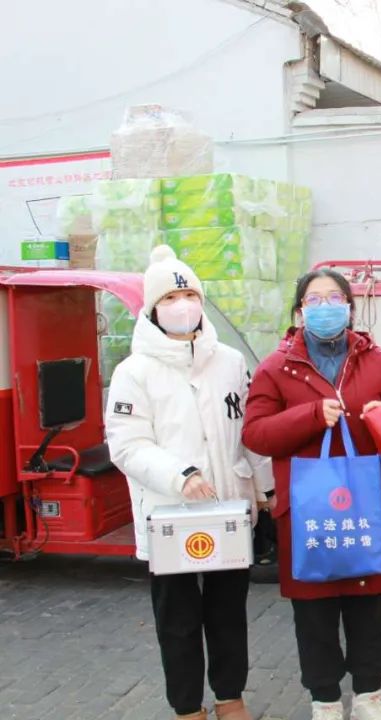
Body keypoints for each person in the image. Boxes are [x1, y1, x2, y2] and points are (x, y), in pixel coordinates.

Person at [106, 245, 273, 720]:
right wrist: (180, 475)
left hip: (228, 509)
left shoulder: (230, 362)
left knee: (228, 613)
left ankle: (230, 698)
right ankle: (187, 707)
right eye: (170, 298)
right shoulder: (134, 372)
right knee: (177, 620)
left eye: (190, 295)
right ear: (153, 309)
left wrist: (264, 488)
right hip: (168, 515)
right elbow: (127, 444)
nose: (182, 305)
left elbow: (250, 431)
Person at [242, 269, 381, 720]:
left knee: (366, 606)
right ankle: (325, 700)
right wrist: (310, 416)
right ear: (299, 312)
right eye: (313, 300)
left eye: (334, 298)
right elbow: (256, 434)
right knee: (314, 614)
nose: (325, 307)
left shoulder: (379, 363)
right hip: (307, 513)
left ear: (350, 308)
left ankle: (369, 696)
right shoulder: (276, 368)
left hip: (364, 507)